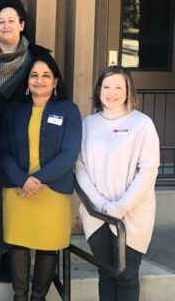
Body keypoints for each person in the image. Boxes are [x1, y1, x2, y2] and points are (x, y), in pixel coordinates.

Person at [0, 5, 47, 283]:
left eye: (11, 21)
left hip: (24, 142)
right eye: (0, 22)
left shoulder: (37, 58)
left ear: (22, 25)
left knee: (14, 198)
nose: (6, 26)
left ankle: (9, 255)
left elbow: (55, 94)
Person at [0, 54, 81, 301]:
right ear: (27, 81)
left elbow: (69, 153)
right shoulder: (14, 110)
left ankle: (38, 297)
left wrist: (36, 180)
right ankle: (20, 296)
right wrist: (23, 180)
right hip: (17, 189)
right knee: (18, 244)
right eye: (34, 75)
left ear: (55, 81)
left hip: (53, 191)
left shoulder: (68, 110)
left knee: (48, 245)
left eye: (46, 75)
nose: (39, 80)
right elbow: (4, 151)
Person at [76, 66, 160, 301]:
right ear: (98, 90)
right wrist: (100, 204)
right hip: (97, 215)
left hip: (132, 215)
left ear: (128, 91)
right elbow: (79, 167)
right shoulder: (88, 124)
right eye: (106, 87)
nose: (111, 93)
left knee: (127, 277)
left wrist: (120, 206)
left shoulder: (142, 124)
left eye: (118, 87)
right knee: (106, 274)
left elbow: (148, 170)